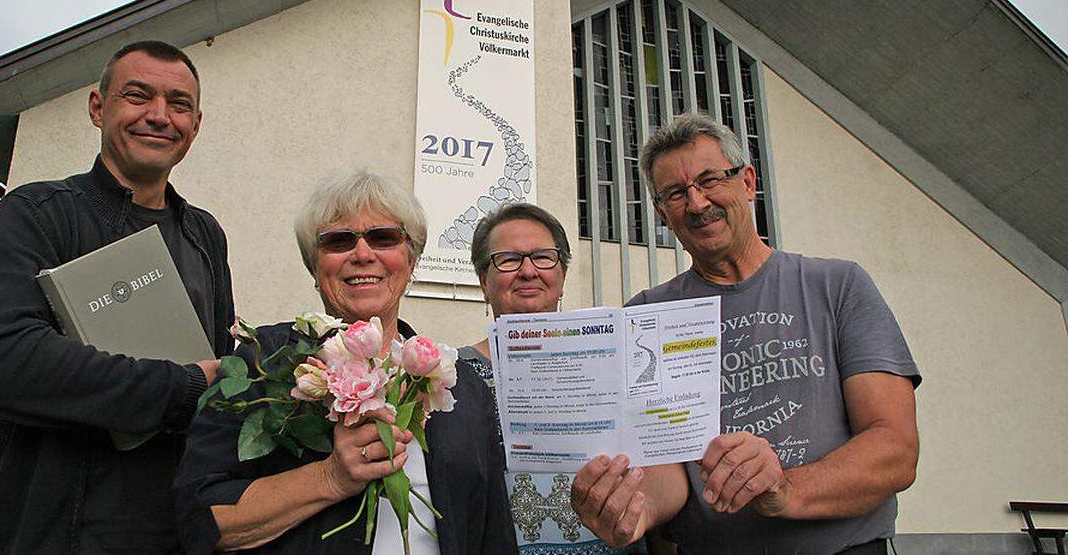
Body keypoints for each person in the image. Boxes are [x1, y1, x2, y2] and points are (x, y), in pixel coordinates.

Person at [571, 114, 920, 555]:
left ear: (748, 181)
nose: (697, 204)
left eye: (710, 180)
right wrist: (634, 511)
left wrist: (785, 488)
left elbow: (894, 446)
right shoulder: (645, 316)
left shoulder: (837, 286)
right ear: (661, 213)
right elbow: (664, 465)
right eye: (676, 193)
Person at [0, 40, 234, 553]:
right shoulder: (37, 213)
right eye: (137, 95)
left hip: (163, 533)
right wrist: (183, 387)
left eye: (179, 104)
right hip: (41, 533)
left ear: (195, 126)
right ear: (97, 107)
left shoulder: (205, 237)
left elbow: (220, 366)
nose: (159, 116)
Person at [174, 171, 516, 554]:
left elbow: (493, 533)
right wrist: (329, 478)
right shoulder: (264, 360)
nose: (362, 254)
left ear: (412, 261)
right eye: (338, 241)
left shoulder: (459, 383)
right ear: (314, 269)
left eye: (384, 237)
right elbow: (201, 519)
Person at [461, 203, 665, 554]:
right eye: (508, 259)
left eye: (543, 257)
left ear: (563, 274)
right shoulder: (452, 377)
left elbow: (661, 459)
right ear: (483, 280)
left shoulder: (620, 359)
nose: (528, 271)